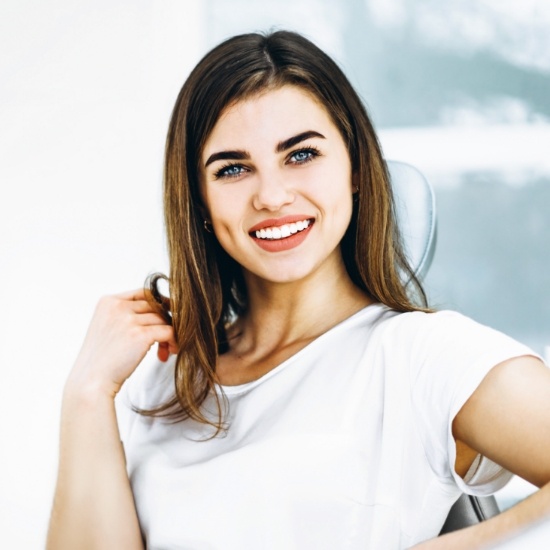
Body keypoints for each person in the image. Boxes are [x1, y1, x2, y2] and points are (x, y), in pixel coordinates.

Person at [46, 30, 550, 549]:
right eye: (234, 169)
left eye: (301, 155)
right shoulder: (167, 378)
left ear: (355, 166)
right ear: (198, 198)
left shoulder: (424, 357)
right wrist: (87, 394)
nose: (272, 195)